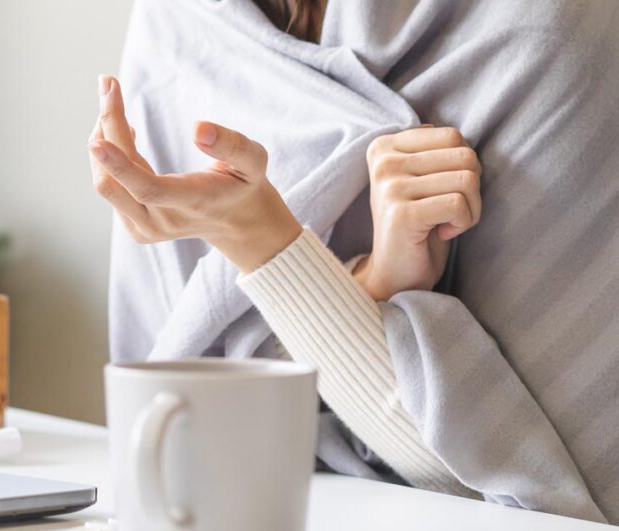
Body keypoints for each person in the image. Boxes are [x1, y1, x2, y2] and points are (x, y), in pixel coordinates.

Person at [89, 0, 619, 524]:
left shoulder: (546, 30)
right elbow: (174, 449)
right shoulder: (176, 23)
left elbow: (529, 499)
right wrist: (372, 283)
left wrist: (262, 241)